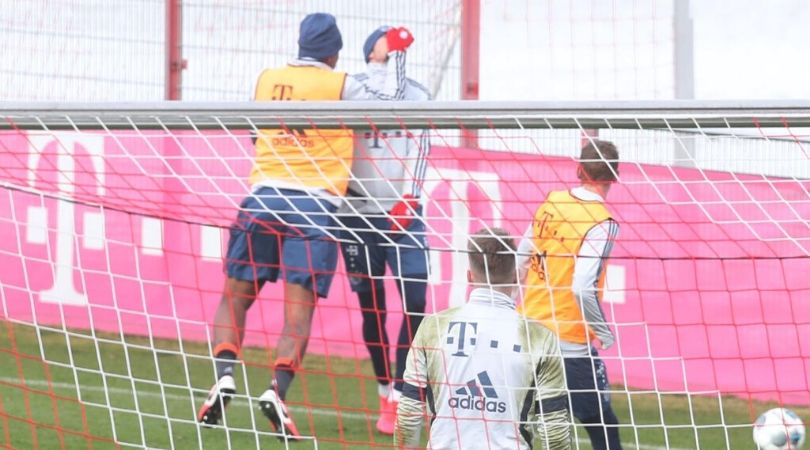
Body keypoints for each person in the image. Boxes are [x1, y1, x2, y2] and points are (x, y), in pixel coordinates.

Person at [196, 13, 415, 441]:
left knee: (234, 297)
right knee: (298, 314)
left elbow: (257, 138)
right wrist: (382, 58)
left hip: (261, 198)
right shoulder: (343, 85)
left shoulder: (265, 80)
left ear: (300, 46)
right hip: (314, 205)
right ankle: (277, 391)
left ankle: (223, 375)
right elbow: (390, 104)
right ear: (333, 52)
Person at [395, 227, 571, 450]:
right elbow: (554, 429)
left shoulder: (433, 326)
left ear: (469, 276)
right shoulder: (540, 337)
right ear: (517, 275)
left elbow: (409, 413)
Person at [337, 25, 432, 435]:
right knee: (372, 308)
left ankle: (403, 390)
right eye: (382, 39)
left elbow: (423, 144)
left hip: (404, 214)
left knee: (415, 301)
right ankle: (385, 394)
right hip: (356, 214)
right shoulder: (350, 91)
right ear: (368, 52)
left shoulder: (419, 94)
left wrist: (411, 195)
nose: (390, 42)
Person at [518, 139, 622, 449]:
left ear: (578, 170)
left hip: (527, 333)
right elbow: (581, 287)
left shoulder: (552, 201)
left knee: (523, 425)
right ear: (614, 177)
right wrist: (603, 331)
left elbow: (522, 255)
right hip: (568, 342)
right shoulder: (602, 223)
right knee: (602, 425)